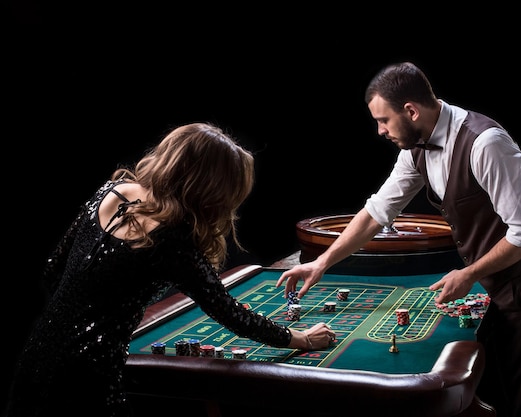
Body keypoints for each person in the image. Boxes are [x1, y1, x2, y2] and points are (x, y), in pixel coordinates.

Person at [276, 62, 521, 417]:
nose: (379, 130)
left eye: (384, 120)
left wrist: (468, 274)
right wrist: (322, 261)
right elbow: (377, 213)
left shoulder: (485, 143)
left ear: (411, 111)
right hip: (490, 286)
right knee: (489, 396)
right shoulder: (415, 147)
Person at [6, 122, 335, 417]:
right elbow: (230, 313)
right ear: (213, 189)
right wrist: (301, 337)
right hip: (88, 375)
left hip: (36, 355)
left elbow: (53, 271)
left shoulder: (111, 191)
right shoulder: (174, 239)